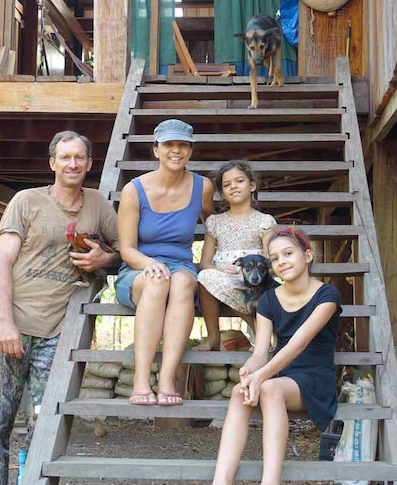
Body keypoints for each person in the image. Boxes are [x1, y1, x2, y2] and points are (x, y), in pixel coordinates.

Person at [0, 131, 119, 485]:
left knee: (44, 423)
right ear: (52, 163)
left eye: (79, 158)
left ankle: (34, 480)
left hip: (57, 332)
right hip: (11, 328)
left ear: (89, 164)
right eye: (65, 157)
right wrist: (6, 324)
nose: (73, 164)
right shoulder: (26, 201)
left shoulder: (99, 205)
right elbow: (2, 262)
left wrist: (106, 257)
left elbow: (122, 253)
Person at [212, 227, 342, 485]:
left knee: (270, 389)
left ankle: (270, 482)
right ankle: (221, 481)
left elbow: (298, 343)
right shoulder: (268, 300)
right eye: (274, 258)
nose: (281, 261)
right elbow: (261, 351)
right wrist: (250, 372)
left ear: (307, 256)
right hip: (278, 374)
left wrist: (262, 376)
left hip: (313, 377)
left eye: (288, 253)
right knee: (240, 391)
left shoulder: (327, 295)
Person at [115, 119, 215, 406]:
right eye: (169, 144)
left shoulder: (203, 187)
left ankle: (169, 378)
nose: (176, 150)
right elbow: (127, 249)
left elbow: (214, 226)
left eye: (183, 145)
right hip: (137, 270)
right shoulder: (135, 190)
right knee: (158, 281)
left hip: (180, 266)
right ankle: (142, 379)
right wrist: (148, 263)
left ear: (191, 151)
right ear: (156, 150)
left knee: (183, 280)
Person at [193, 160, 276, 351]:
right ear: (221, 193)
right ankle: (213, 336)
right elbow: (205, 262)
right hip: (223, 277)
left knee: (246, 285)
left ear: (252, 185)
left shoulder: (264, 221)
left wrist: (252, 273)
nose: (234, 187)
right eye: (227, 185)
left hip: (255, 279)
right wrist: (221, 269)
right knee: (205, 277)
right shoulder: (215, 222)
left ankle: (262, 332)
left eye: (239, 181)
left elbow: (271, 258)